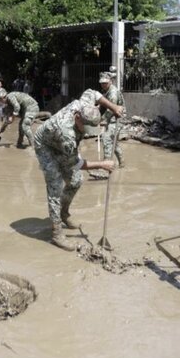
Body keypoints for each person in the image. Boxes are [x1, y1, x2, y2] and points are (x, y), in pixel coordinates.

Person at [34, 101, 124, 251]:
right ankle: (56, 234)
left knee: (76, 180)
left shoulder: (81, 105)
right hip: (45, 146)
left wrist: (114, 108)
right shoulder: (66, 134)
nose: (87, 132)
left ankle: (64, 213)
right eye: (85, 128)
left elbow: (95, 94)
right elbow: (75, 163)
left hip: (59, 141)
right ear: (77, 118)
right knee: (55, 186)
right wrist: (102, 164)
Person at [98, 71, 126, 167]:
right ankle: (122, 163)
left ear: (110, 81)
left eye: (105, 83)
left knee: (106, 139)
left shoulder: (113, 92)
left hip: (116, 119)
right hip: (111, 119)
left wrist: (101, 120)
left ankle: (106, 166)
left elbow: (111, 110)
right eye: (102, 83)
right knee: (113, 142)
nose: (103, 85)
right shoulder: (106, 91)